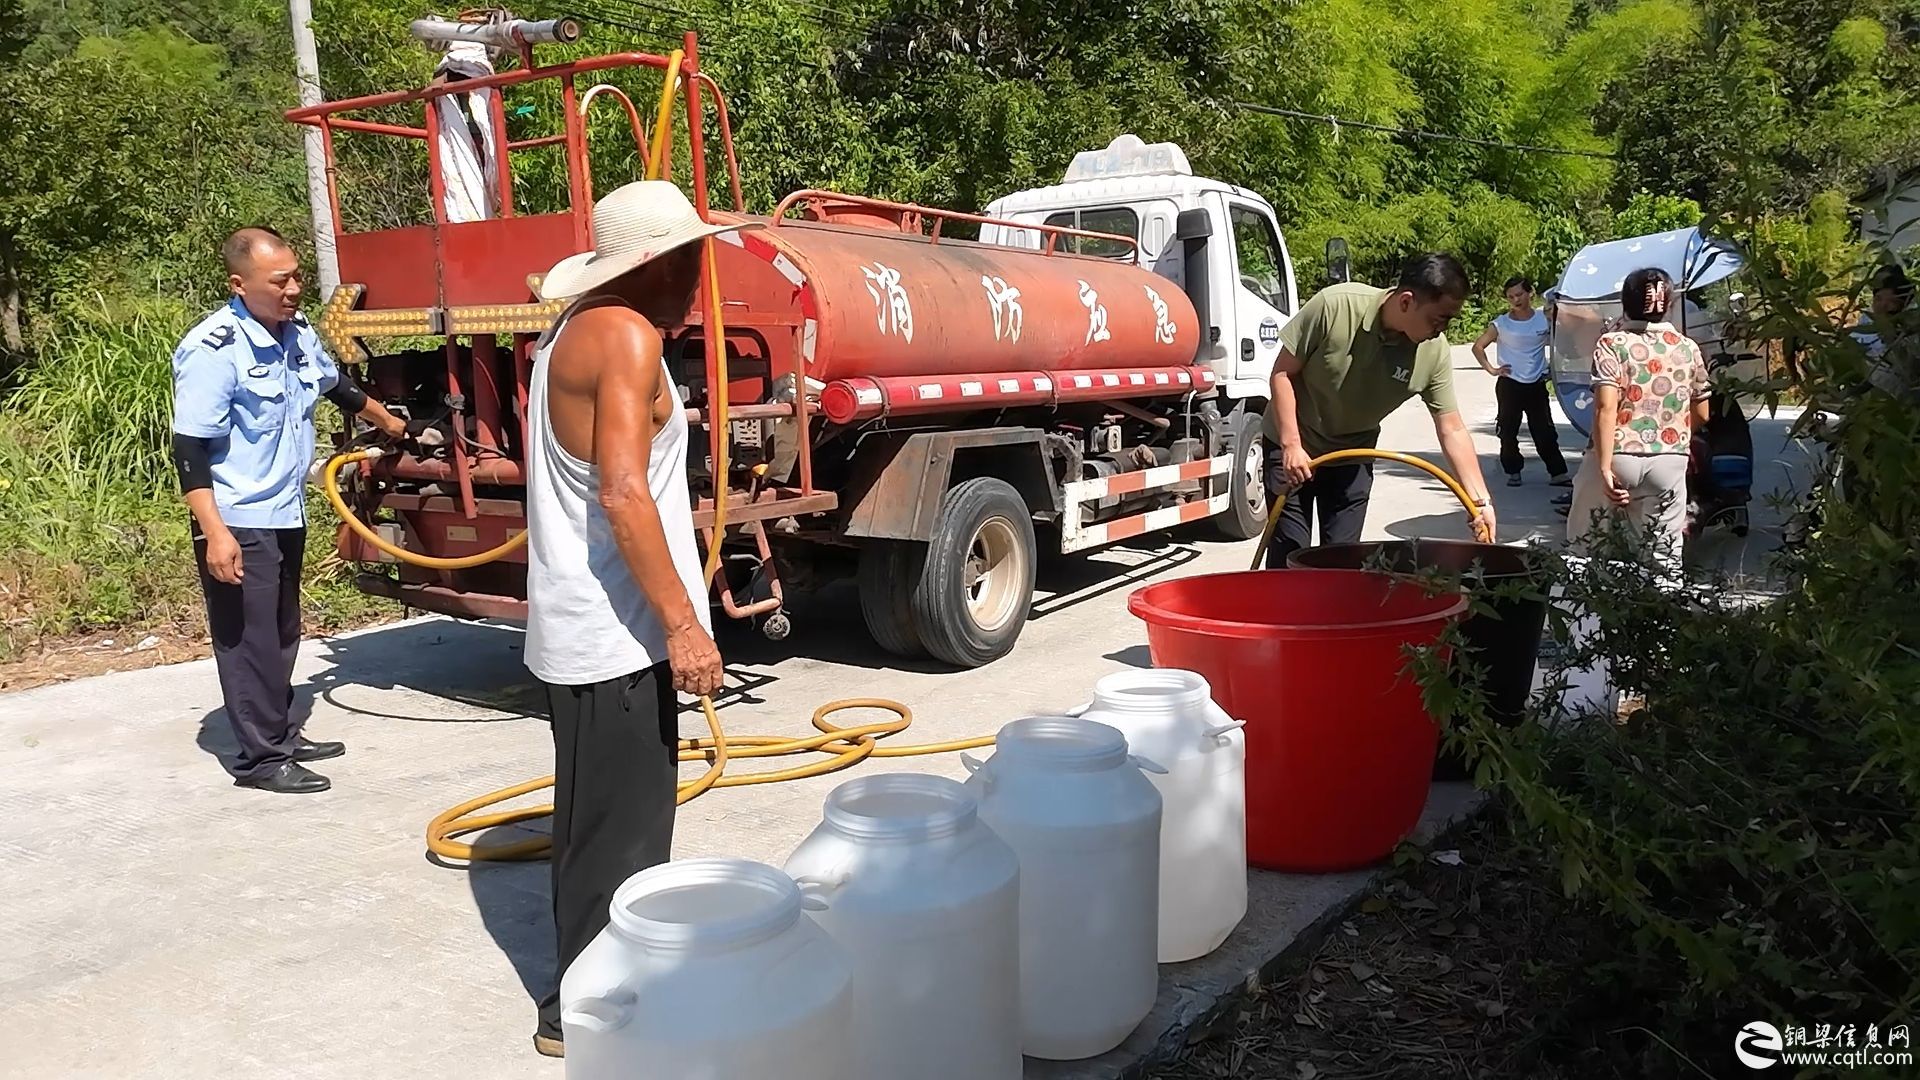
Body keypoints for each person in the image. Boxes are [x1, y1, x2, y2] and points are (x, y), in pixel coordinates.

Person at [522, 180, 736, 1057]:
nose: (699, 274)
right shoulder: (626, 333)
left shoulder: (574, 333)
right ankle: (585, 1015)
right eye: (690, 258)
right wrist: (683, 624)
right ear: (654, 264)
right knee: (621, 839)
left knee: (603, 828)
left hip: (595, 628)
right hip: (613, 636)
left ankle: (599, 999)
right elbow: (620, 491)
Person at [171, 227, 408, 794]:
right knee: (247, 638)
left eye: (297, 276)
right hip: (235, 515)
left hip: (283, 510)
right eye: (280, 281)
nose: (295, 289)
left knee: (280, 631)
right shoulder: (213, 348)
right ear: (240, 283)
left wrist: (391, 422)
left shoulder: (295, 333)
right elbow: (188, 451)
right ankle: (260, 760)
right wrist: (216, 534)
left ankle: (279, 731)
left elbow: (334, 386)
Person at [1263, 252, 1497, 568]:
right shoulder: (1336, 307)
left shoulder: (1433, 353)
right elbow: (1282, 373)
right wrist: (1291, 445)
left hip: (1352, 455)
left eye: (1449, 320)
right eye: (1438, 318)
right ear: (1406, 302)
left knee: (1342, 563)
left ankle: (1333, 617)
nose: (1442, 329)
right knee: (1289, 559)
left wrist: (1479, 500)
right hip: (1293, 449)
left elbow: (1451, 427)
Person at [1565, 267, 1710, 578]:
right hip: (1669, 461)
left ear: (1624, 302)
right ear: (1669, 303)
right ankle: (1659, 618)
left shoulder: (1611, 344)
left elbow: (1606, 407)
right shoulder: (1688, 348)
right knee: (1664, 558)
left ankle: (1585, 618)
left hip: (1616, 456)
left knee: (1586, 547)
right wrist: (1670, 438)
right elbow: (1702, 413)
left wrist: (1604, 467)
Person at [1472, 275, 1569, 488]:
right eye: (1511, 297)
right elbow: (1478, 347)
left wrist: (1554, 370)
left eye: (1519, 294)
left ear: (1530, 293)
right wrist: (1492, 369)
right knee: (1508, 430)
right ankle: (1513, 471)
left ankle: (1558, 473)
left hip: (1536, 383)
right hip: (1510, 384)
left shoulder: (1543, 319)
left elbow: (1562, 341)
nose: (1516, 299)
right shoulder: (1501, 324)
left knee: (1544, 430)